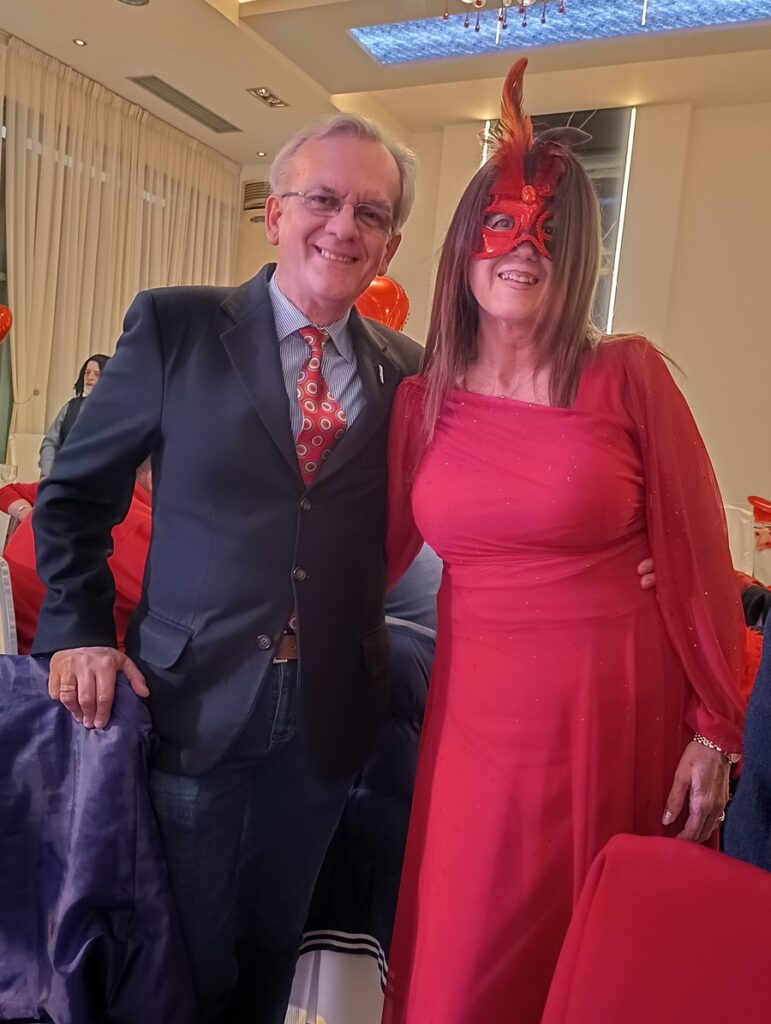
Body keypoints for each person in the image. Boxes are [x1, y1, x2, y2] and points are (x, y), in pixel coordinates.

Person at [30, 114, 421, 1024]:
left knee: (274, 942)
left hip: (328, 709)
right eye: (322, 200)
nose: (343, 226)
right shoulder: (174, 325)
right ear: (275, 213)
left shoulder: (408, 371)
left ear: (389, 245)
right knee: (184, 954)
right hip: (192, 695)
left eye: (370, 212)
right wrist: (78, 630)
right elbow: (75, 496)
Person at [382, 59, 745, 1024]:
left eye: (550, 233)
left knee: (595, 958)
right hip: (474, 720)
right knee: (464, 957)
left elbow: (699, 562)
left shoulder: (626, 376)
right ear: (464, 244)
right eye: (502, 225)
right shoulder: (421, 402)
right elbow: (356, 552)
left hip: (612, 706)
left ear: (579, 254)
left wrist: (715, 727)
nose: (524, 249)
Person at [0, 463, 151, 653]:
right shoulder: (131, 524)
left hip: (30, 642)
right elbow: (181, 607)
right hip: (67, 657)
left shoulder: (78, 485)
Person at [38, 353, 110, 477]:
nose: (90, 378)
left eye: (97, 374)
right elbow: (50, 443)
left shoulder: (116, 412)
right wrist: (47, 474)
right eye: (87, 373)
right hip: (64, 475)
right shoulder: (70, 407)